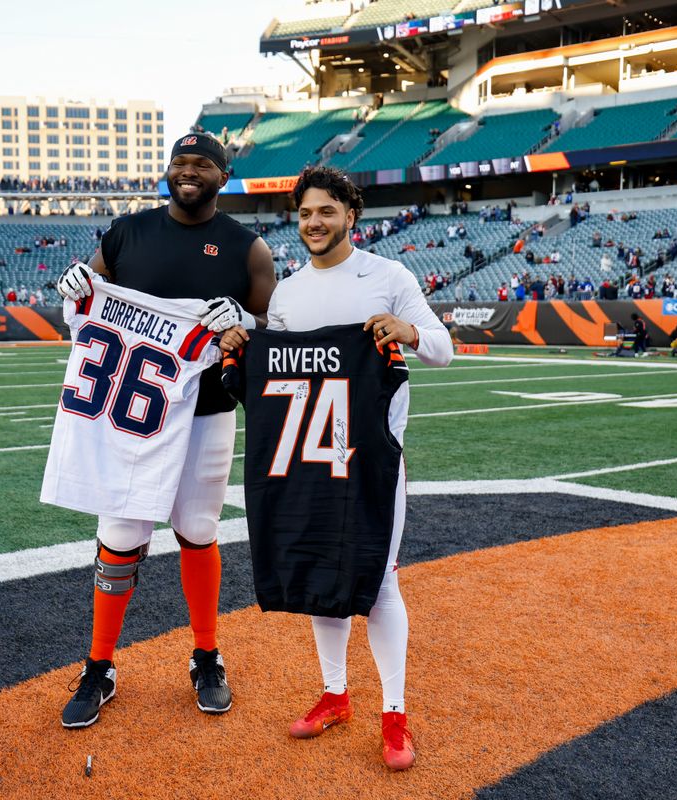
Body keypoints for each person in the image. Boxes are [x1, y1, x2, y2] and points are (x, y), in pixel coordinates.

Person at [218, 166, 452, 771]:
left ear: (351, 213)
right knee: (323, 569)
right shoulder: (290, 294)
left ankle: (394, 715)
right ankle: (335, 695)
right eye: (304, 213)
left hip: (372, 453)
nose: (313, 223)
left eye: (325, 211)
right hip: (308, 455)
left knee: (378, 579)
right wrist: (245, 346)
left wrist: (409, 331)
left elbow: (443, 349)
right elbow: (278, 370)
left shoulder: (389, 276)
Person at [51, 132, 276, 728]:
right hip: (132, 416)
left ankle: (207, 654)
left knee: (198, 529)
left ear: (223, 176)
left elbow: (274, 329)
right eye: (180, 162)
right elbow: (81, 304)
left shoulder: (247, 249)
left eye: (202, 164)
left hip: (206, 411)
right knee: (120, 533)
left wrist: (246, 321)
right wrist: (72, 292)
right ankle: (99, 664)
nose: (188, 171)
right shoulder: (126, 233)